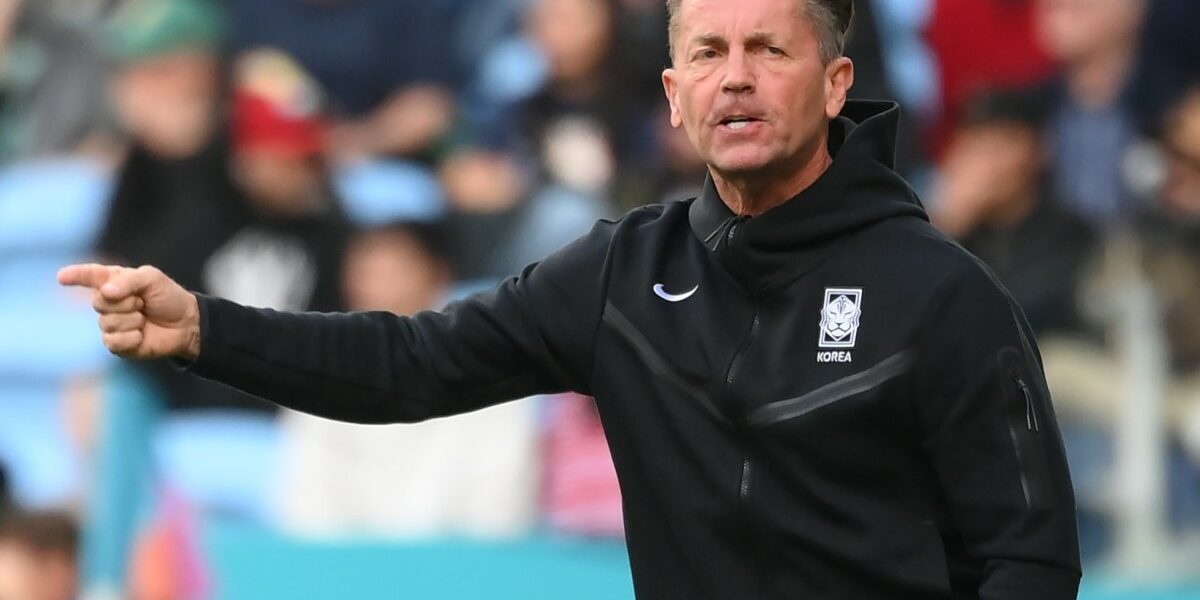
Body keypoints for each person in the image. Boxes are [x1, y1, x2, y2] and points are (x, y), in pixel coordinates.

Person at [59, 0, 1082, 597]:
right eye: (708, 54)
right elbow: (408, 364)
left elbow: (1029, 562)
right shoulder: (619, 278)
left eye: (770, 50)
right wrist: (205, 330)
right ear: (673, 95)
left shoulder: (945, 297)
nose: (736, 80)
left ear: (833, 83)